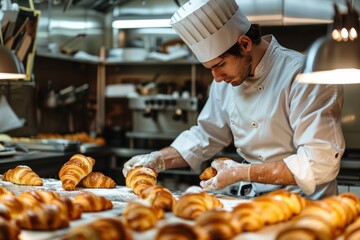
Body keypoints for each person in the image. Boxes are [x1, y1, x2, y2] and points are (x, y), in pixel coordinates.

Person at [122, 0, 345, 199]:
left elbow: (318, 162)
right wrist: (157, 159)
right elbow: (206, 135)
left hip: (308, 206)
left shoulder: (303, 74)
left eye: (219, 65)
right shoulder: (226, 82)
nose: (216, 78)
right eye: (209, 69)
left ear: (245, 44)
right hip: (254, 203)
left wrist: (242, 172)